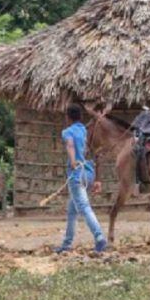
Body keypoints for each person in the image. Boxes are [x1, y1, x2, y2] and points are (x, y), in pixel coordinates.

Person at [55, 104, 108, 253]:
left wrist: (72, 161)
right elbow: (93, 151)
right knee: (72, 210)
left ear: (68, 117)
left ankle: (99, 238)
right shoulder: (85, 130)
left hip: (77, 175)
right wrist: (97, 179)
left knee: (84, 207)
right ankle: (66, 244)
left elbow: (70, 145)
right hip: (89, 173)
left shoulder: (67, 131)